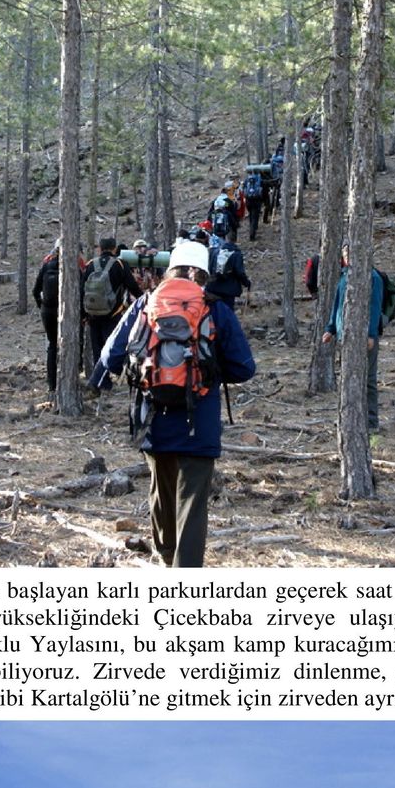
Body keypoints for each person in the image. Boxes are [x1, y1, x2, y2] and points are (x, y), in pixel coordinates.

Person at [90, 239, 255, 568]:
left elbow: (111, 354)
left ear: (172, 268)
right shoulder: (215, 308)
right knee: (191, 505)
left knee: (161, 495)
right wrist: (209, 371)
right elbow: (244, 368)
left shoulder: (147, 304)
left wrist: (101, 380)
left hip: (154, 419)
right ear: (203, 273)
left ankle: (165, 557)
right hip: (201, 423)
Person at [321, 243, 385, 432]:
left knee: (368, 379)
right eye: (345, 253)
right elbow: (337, 304)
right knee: (347, 377)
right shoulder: (344, 276)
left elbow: (375, 307)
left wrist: (371, 334)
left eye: (349, 253)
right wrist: (331, 328)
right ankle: (348, 417)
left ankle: (371, 421)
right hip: (344, 336)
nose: (347, 257)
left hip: (365, 336)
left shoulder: (372, 277)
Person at [31, 241, 86, 394]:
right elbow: (82, 291)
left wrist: (42, 306)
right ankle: (71, 383)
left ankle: (52, 385)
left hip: (47, 311)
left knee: (52, 346)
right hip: (68, 312)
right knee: (71, 345)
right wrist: (81, 313)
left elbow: (35, 290)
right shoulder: (75, 267)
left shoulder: (47, 265)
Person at [82, 235, 142, 369]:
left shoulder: (90, 265)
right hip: (113, 314)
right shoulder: (120, 264)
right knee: (111, 347)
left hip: (93, 314)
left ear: (100, 249)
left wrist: (83, 315)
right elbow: (133, 287)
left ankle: (98, 382)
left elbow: (82, 291)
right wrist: (144, 300)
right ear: (114, 249)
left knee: (97, 349)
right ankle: (110, 375)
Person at [206, 233, 251, 312]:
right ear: (236, 240)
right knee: (227, 312)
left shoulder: (215, 252)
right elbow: (240, 272)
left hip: (213, 287)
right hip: (229, 290)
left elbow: (209, 268)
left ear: (226, 239)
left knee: (213, 312)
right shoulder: (236, 254)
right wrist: (246, 283)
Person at [242, 169, 263, 241]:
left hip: (248, 201)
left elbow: (243, 189)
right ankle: (252, 234)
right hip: (256, 201)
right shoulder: (258, 179)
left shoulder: (247, 180)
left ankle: (252, 229)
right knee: (255, 217)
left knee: (251, 215)